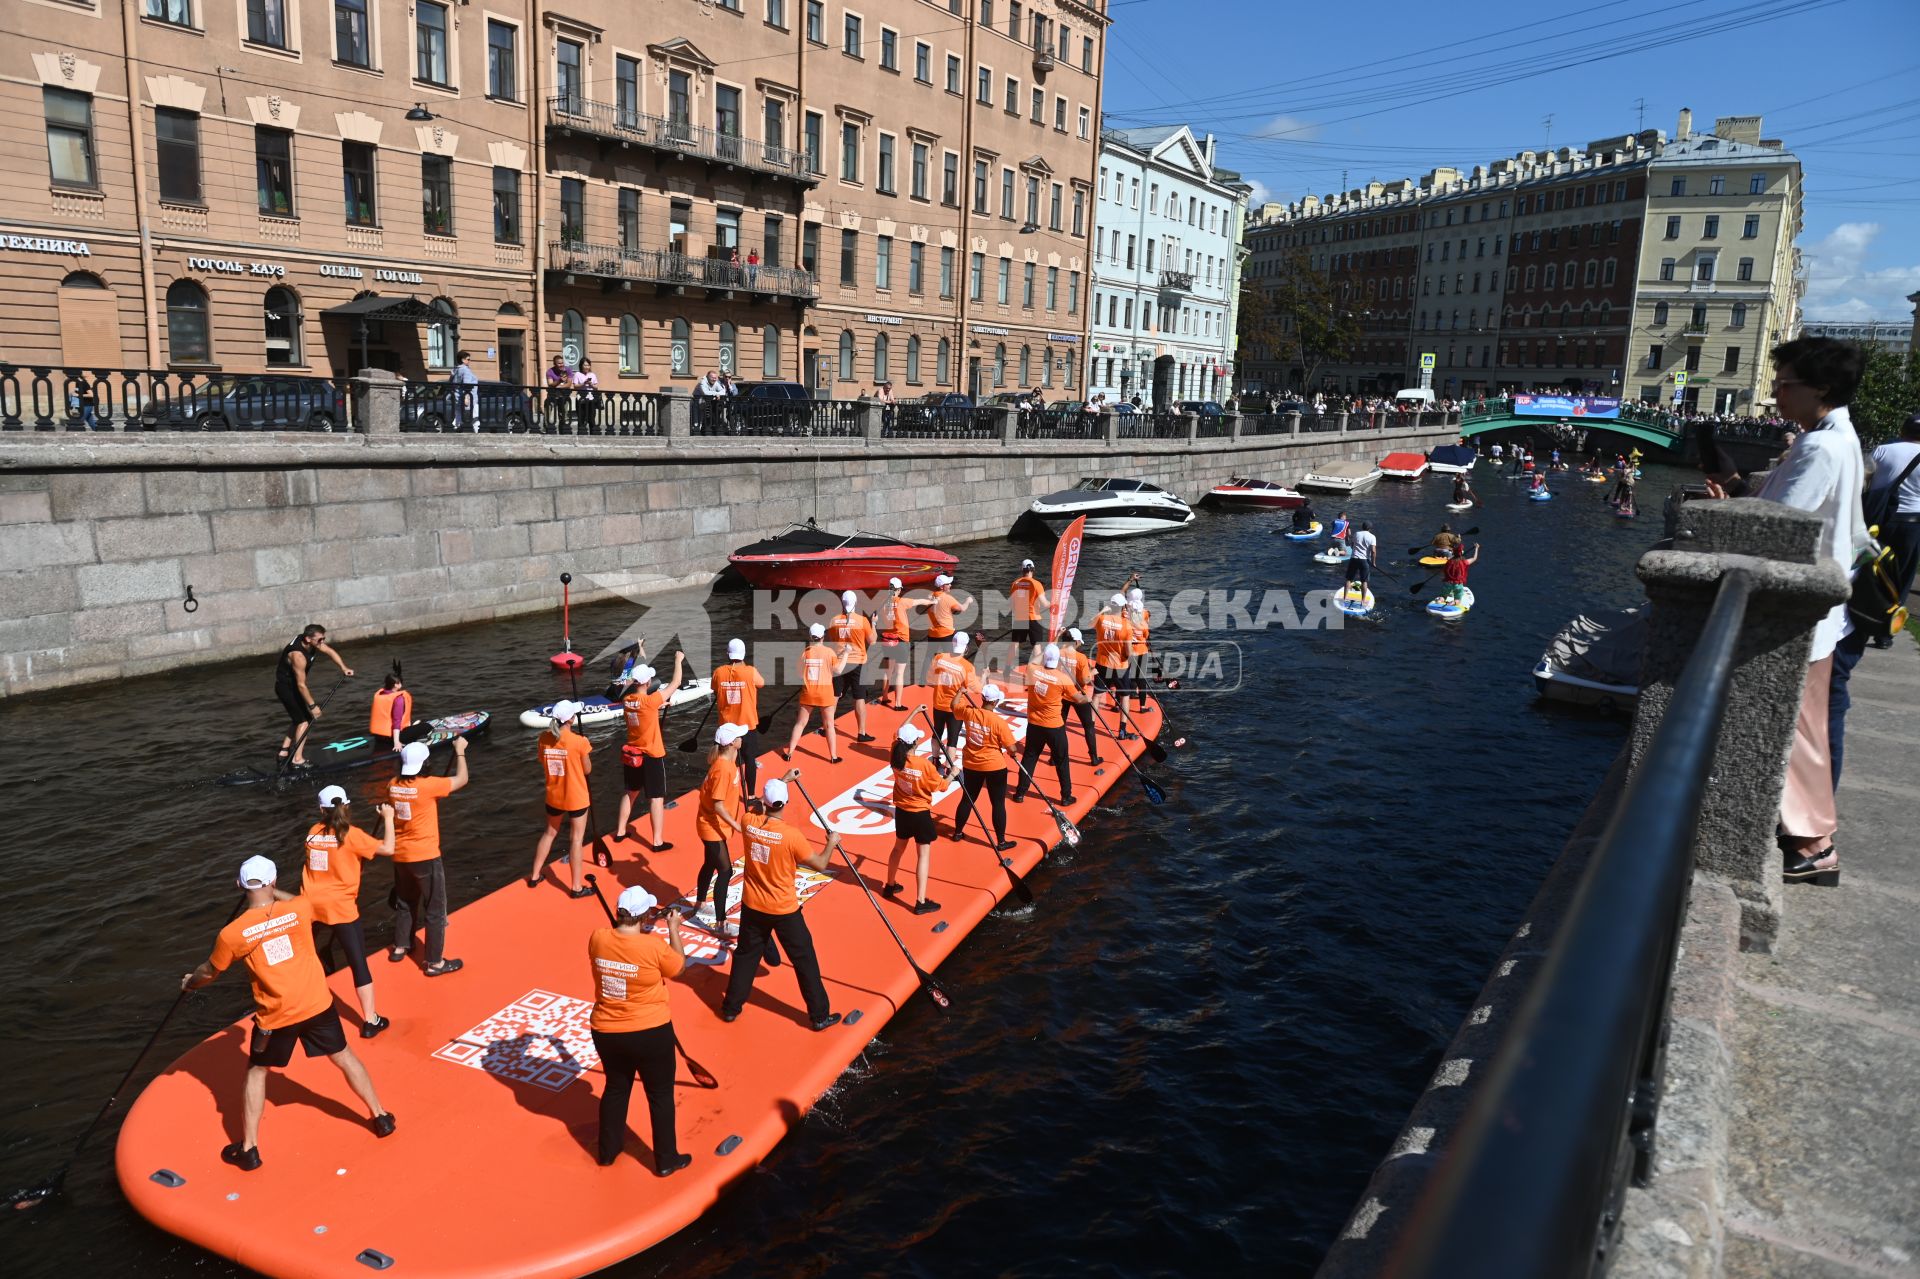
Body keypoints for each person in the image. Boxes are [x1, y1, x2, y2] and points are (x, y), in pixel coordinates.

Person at [1704, 337, 1867, 885]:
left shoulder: (1821, 446)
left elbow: (1777, 524)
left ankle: (1814, 844)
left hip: (1802, 614)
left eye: (1785, 383)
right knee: (1808, 730)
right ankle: (1811, 838)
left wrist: (1722, 513)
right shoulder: (1831, 436)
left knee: (1798, 735)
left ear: (1820, 387)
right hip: (1820, 607)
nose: (1775, 392)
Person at [182, 856, 395, 1170]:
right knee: (344, 1056)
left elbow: (210, 971)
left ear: (239, 886)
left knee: (257, 1072)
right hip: (316, 1005)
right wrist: (274, 892)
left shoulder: (232, 934)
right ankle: (380, 1116)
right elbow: (298, 899)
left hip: (275, 1017)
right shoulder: (299, 910)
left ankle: (250, 1149)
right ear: (272, 881)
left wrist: (191, 983)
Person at [718, 776, 842, 1031]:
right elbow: (820, 864)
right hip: (784, 909)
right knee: (804, 959)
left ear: (764, 802)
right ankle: (819, 1016)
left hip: (753, 905)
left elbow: (756, 808)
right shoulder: (791, 836)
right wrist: (831, 844)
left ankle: (731, 1008)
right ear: (785, 803)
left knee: (745, 957)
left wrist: (782, 781)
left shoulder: (748, 822)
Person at [587, 883, 692, 1175]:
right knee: (659, 1095)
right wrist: (673, 929)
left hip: (607, 1030)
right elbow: (679, 967)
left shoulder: (597, 939)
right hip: (650, 1032)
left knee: (616, 1088)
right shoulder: (653, 947)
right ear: (645, 917)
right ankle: (666, 1160)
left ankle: (607, 1152)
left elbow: (616, 945)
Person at [303, 785, 397, 1036]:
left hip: (312, 906)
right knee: (358, 962)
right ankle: (370, 1020)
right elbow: (388, 849)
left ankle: (309, 1009)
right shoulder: (352, 834)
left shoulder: (312, 833)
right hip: (341, 908)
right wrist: (388, 818)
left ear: (321, 809)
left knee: (308, 960)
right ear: (346, 806)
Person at [387, 738, 466, 975]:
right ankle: (435, 962)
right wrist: (460, 752)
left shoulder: (393, 784)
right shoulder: (428, 786)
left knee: (405, 902)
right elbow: (462, 779)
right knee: (434, 909)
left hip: (401, 854)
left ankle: (401, 946)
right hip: (425, 855)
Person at [615, 653, 686, 852]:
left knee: (630, 792)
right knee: (656, 797)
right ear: (647, 683)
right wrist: (678, 660)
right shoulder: (650, 701)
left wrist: (659, 706)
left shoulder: (627, 700)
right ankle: (657, 841)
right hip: (652, 756)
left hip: (633, 755)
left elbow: (641, 709)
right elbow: (676, 682)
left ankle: (620, 831)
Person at [881, 724, 955, 914]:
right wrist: (953, 774)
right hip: (920, 813)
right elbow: (942, 786)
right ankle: (920, 901)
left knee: (898, 848)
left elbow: (896, 733)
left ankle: (890, 885)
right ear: (914, 742)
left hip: (903, 811)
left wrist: (914, 711)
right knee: (923, 855)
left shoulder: (895, 756)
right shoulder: (924, 765)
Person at [528, 700, 596, 897]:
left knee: (549, 833)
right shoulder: (579, 742)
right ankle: (576, 887)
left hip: (554, 795)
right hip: (576, 797)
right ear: (572, 719)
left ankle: (534, 876)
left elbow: (543, 760)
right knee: (576, 840)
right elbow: (587, 769)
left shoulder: (543, 738)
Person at [693, 723, 749, 939]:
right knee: (725, 871)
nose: (742, 740)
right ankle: (720, 923)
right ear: (733, 743)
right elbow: (717, 804)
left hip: (712, 825)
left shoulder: (724, 764)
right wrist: (737, 825)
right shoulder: (723, 768)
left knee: (710, 864)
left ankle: (699, 904)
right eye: (739, 737)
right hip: (711, 828)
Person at [275, 624, 353, 770]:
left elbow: (329, 651)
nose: (322, 642)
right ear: (308, 639)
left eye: (324, 638)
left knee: (297, 719)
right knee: (305, 721)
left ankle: (283, 752)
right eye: (320, 639)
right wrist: (313, 706)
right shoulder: (298, 656)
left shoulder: (312, 642)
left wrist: (343, 667)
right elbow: (301, 685)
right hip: (287, 688)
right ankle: (297, 760)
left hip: (292, 687)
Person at [1013, 643, 1083, 805]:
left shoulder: (1033, 670)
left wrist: (1044, 652)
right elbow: (1078, 699)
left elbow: (1033, 662)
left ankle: (1020, 793)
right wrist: (1085, 697)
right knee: (1062, 761)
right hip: (1054, 726)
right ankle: (1066, 796)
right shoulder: (1063, 679)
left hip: (1034, 724)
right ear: (1058, 660)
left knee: (1030, 758)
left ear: (1044, 658)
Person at [951, 684, 1017, 850]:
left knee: (968, 799)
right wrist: (1011, 752)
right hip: (995, 767)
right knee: (998, 804)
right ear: (995, 702)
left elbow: (953, 706)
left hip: (971, 764)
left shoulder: (968, 712)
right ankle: (1001, 841)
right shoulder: (999, 723)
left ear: (983, 699)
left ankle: (957, 832)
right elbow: (1012, 748)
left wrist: (960, 692)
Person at [785, 624, 850, 763]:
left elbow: (799, 673)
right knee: (829, 725)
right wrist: (846, 654)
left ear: (810, 636)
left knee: (800, 724)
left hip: (808, 692)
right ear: (823, 636)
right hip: (825, 693)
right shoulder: (829, 652)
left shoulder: (805, 652)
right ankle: (833, 756)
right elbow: (838, 670)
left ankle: (789, 753)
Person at [713, 638, 768, 796]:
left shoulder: (719, 672)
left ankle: (724, 791)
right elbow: (762, 683)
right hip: (746, 725)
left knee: (726, 761)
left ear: (727, 654)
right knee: (749, 760)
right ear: (743, 654)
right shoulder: (750, 671)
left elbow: (714, 688)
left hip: (726, 726)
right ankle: (750, 795)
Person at [825, 591, 879, 743]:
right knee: (859, 697)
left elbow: (832, 639)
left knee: (835, 695)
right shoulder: (862, 621)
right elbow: (873, 640)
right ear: (855, 603)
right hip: (857, 663)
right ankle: (861, 733)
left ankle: (826, 727)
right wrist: (873, 623)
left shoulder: (834, 620)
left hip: (840, 662)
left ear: (842, 603)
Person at [877, 577, 930, 707]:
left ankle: (884, 698)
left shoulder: (883, 603)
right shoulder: (902, 602)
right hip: (901, 641)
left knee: (887, 672)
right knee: (899, 673)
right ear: (899, 589)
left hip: (887, 641)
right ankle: (898, 704)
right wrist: (932, 601)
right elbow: (919, 601)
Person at [926, 632, 979, 756]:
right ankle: (949, 769)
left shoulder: (938, 658)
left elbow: (929, 680)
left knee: (937, 733)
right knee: (952, 740)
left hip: (938, 703)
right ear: (966, 647)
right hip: (956, 707)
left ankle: (935, 758)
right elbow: (977, 688)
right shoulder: (967, 666)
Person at [1058, 627, 1102, 765]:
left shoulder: (1058, 653)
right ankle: (1094, 758)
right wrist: (1093, 673)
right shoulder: (1081, 657)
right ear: (1076, 642)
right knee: (1088, 727)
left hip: (1062, 694)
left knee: (1060, 727)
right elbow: (1084, 680)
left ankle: (1055, 757)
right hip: (1079, 696)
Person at [1091, 594, 1133, 712]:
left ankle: (1091, 726)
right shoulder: (1126, 625)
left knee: (1097, 695)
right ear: (1122, 606)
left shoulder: (1101, 619)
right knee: (1124, 697)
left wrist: (1102, 611)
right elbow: (1129, 651)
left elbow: (1089, 623)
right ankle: (1122, 730)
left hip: (1102, 662)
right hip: (1120, 665)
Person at [1010, 559, 1050, 659]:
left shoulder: (1015, 583)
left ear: (1022, 570)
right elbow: (1045, 604)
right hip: (1034, 618)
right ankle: (1036, 670)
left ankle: (1008, 668)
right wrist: (1053, 603)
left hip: (1020, 617)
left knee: (1015, 644)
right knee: (1036, 645)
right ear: (1033, 569)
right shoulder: (1037, 584)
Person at [368, 670, 413, 754]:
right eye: (400, 682)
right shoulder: (398, 699)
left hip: (378, 736)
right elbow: (397, 721)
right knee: (426, 726)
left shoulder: (380, 694)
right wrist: (396, 743)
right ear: (396, 684)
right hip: (392, 737)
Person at [1125, 583, 1152, 712]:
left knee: (1125, 674)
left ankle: (1118, 704)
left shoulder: (1124, 613)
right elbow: (1146, 633)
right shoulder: (1145, 613)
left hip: (1128, 649)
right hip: (1141, 649)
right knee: (1140, 677)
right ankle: (1142, 707)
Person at [925, 573, 964, 644]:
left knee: (931, 655)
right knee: (947, 655)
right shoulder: (948, 598)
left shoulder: (929, 597)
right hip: (946, 633)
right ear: (942, 587)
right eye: (948, 584)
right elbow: (962, 608)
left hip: (932, 634)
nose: (950, 585)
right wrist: (968, 601)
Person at [450, 350, 480, 432]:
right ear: (463, 360)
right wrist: (467, 398)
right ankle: (475, 433)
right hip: (470, 397)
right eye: (468, 359)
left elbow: (451, 383)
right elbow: (467, 385)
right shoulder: (465, 370)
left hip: (457, 396)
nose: (469, 361)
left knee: (458, 416)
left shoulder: (455, 370)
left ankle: (457, 431)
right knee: (474, 417)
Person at [1346, 521, 1378, 592]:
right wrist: (1373, 563)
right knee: (1364, 581)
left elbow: (1352, 545)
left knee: (1349, 579)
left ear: (1362, 527)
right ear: (1370, 528)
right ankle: (1363, 601)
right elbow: (1373, 551)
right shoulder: (1372, 537)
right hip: (1364, 560)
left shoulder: (1357, 534)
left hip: (1354, 558)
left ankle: (1345, 598)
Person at [544, 355, 573, 431]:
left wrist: (557, 386)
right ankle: (547, 429)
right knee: (548, 411)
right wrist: (559, 381)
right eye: (559, 363)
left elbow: (569, 384)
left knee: (563, 414)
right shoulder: (550, 371)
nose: (561, 365)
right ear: (554, 364)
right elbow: (550, 384)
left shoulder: (568, 370)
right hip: (552, 395)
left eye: (562, 363)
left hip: (564, 395)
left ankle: (563, 429)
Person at [572, 358, 602, 433]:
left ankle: (593, 433)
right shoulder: (577, 374)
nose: (586, 367)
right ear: (581, 365)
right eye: (585, 365)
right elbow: (575, 386)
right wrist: (583, 383)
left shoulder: (592, 375)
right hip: (581, 399)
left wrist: (591, 384)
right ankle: (582, 433)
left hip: (591, 399)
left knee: (591, 418)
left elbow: (596, 387)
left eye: (588, 365)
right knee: (581, 418)